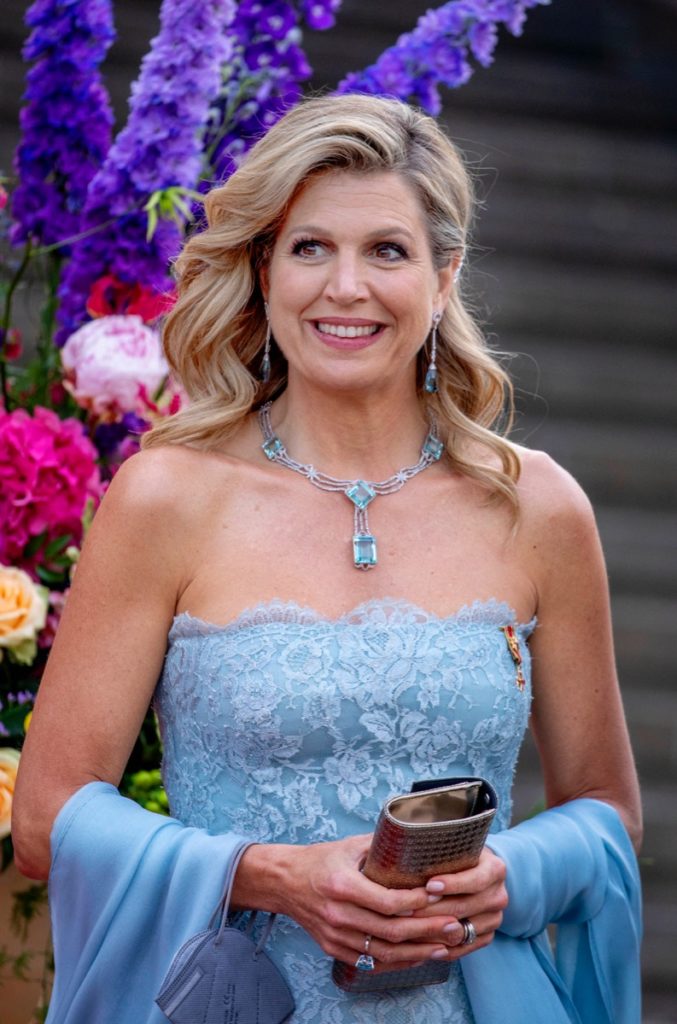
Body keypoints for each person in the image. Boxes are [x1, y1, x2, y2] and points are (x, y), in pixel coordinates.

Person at [12, 94, 642, 1024]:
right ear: (264, 270)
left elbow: (607, 810)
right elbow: (45, 819)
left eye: (386, 251)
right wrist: (268, 875)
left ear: (443, 277)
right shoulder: (165, 498)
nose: (345, 287)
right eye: (310, 247)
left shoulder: (536, 506)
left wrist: (512, 874)